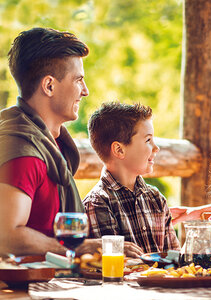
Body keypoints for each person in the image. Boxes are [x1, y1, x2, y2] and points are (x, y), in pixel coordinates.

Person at [0, 28, 142, 258]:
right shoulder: (23, 153)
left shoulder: (52, 146)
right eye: (78, 80)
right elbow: (6, 235)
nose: (85, 91)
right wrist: (77, 248)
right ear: (49, 86)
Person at [83, 102, 180, 253]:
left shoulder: (156, 199)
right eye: (148, 140)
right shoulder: (98, 203)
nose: (156, 148)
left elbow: (174, 257)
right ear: (119, 150)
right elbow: (113, 265)